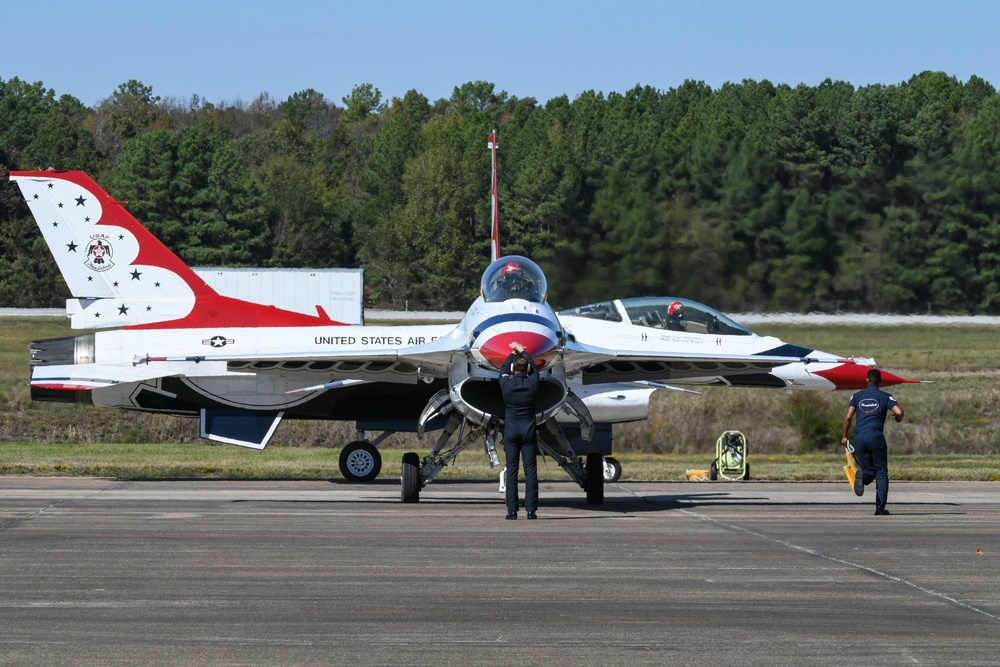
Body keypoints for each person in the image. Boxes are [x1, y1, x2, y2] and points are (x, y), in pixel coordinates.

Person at [841, 368, 904, 515]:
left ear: (867, 380)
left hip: (860, 438)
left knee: (869, 470)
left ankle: (863, 477)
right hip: (876, 437)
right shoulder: (886, 396)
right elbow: (899, 412)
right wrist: (898, 419)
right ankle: (880, 508)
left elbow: (848, 417)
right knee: (881, 472)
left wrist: (845, 436)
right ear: (880, 382)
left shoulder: (856, 396)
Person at [499, 341, 541, 520]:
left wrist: (513, 353)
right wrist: (524, 351)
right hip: (528, 431)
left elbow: (502, 369)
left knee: (512, 470)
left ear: (513, 369)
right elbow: (536, 371)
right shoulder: (533, 383)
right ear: (527, 369)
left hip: (511, 432)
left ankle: (512, 511)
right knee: (531, 471)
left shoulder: (506, 385)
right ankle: (531, 511)